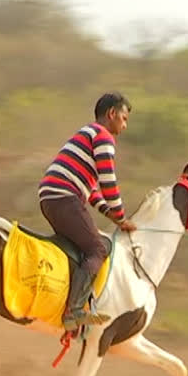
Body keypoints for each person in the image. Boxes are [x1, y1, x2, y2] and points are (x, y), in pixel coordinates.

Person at [38, 92, 137, 331]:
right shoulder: (103, 136)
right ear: (111, 114)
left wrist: (112, 215)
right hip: (65, 198)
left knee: (81, 249)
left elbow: (93, 193)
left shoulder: (87, 133)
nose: (123, 126)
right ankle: (73, 312)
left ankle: (67, 300)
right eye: (123, 119)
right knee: (98, 249)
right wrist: (121, 217)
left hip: (50, 197)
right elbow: (108, 182)